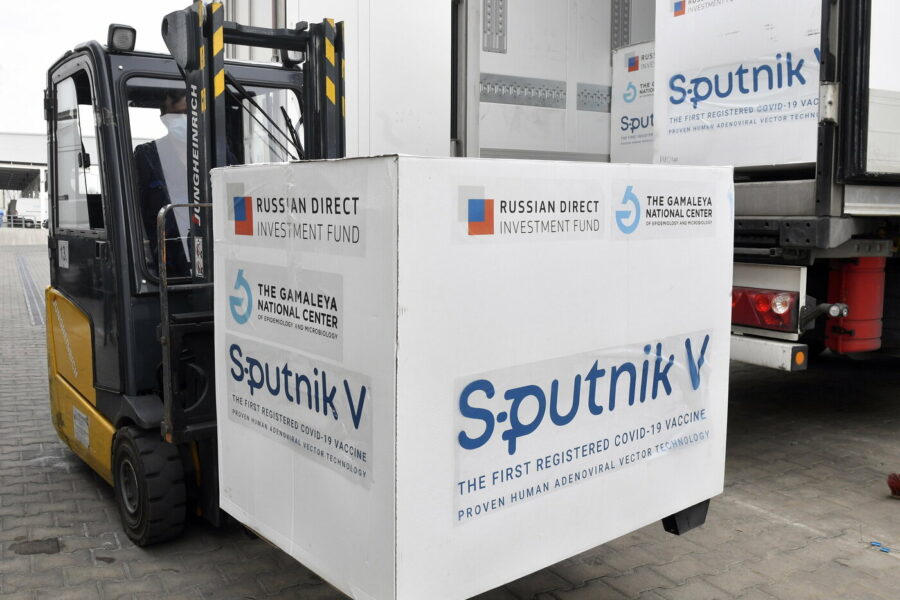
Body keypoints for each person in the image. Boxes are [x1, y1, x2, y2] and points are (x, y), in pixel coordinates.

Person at [134, 90, 191, 276]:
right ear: (164, 119)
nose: (183, 119)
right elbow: (137, 213)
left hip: (210, 251)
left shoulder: (217, 152)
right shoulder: (147, 156)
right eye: (176, 114)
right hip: (167, 261)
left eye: (187, 113)